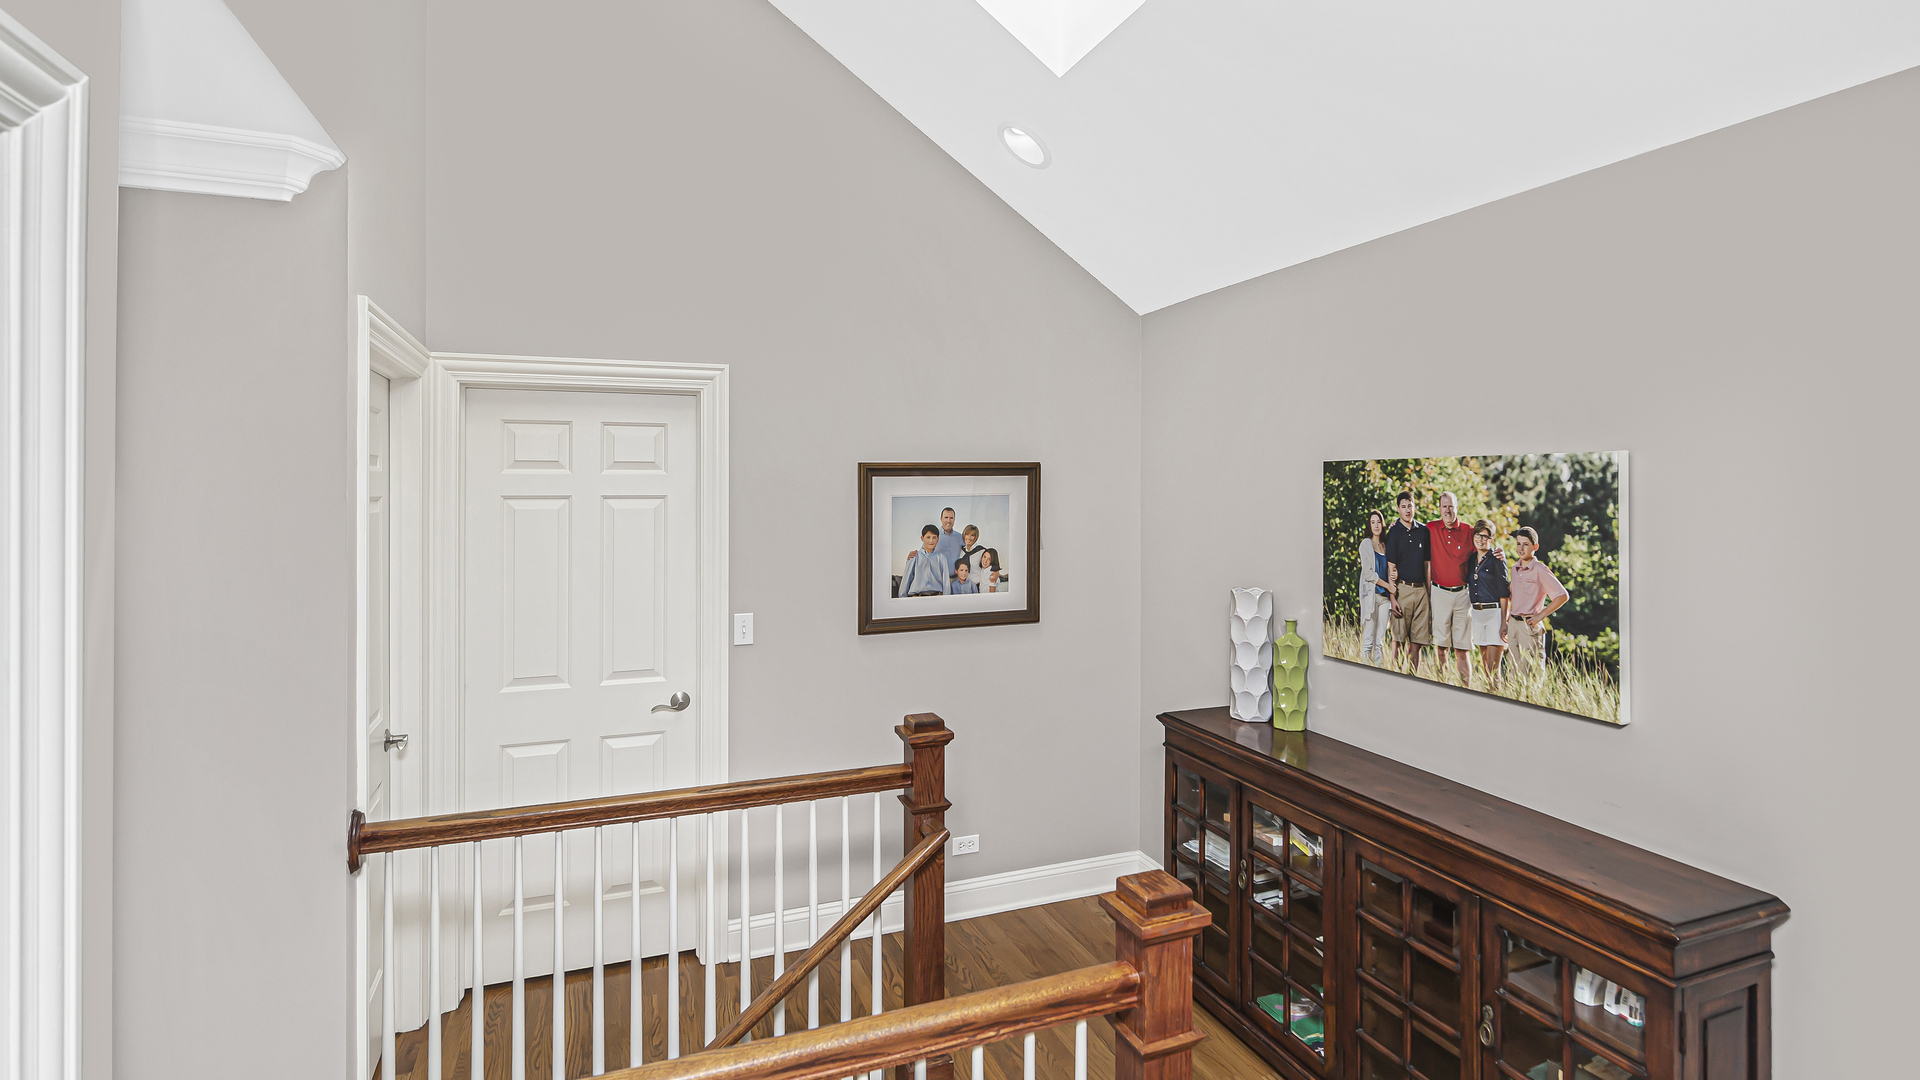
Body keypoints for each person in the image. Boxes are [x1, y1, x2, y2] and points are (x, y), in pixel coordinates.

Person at [1425, 492, 1478, 684]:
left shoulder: (1469, 531)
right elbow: (1409, 531)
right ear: (1439, 508)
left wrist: (1499, 553)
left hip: (1463, 596)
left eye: (1451, 506)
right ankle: (1442, 688)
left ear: (1457, 507)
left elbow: (1484, 549)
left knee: (1462, 649)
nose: (1448, 510)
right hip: (1439, 593)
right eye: (1444, 506)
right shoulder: (1430, 528)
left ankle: (1466, 689)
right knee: (1441, 647)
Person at [1505, 526, 1569, 676]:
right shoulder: (1514, 569)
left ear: (1535, 547)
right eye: (1518, 544)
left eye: (1525, 544)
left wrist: (1542, 615)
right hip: (1513, 625)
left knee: (1531, 674)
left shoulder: (1540, 569)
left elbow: (1562, 595)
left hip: (1529, 626)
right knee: (1513, 674)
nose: (1521, 548)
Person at [1383, 491, 1432, 673]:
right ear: (1398, 509)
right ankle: (1395, 676)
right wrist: (1392, 598)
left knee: (1417, 642)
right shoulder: (1394, 532)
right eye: (1403, 507)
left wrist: (1428, 593)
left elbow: (1427, 565)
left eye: (1409, 506)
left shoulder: (1424, 531)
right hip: (1402, 590)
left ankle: (1413, 677)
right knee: (1398, 640)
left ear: (1414, 507)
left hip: (1421, 592)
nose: (1407, 510)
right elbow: (1391, 567)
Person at [1467, 520, 1510, 688]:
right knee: (1486, 667)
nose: (1481, 539)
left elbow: (1504, 593)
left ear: (1491, 539)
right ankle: (1489, 695)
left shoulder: (1497, 559)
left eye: (1485, 536)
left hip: (1494, 614)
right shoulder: (1471, 559)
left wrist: (1504, 621)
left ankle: (1498, 698)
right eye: (1478, 535)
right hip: (1477, 614)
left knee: (1494, 668)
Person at [1357, 510, 1392, 664]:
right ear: (1369, 525)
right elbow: (1369, 574)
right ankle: (1364, 670)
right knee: (1368, 639)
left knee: (1380, 642)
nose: (1376, 525)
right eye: (1373, 522)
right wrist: (1388, 586)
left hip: (1385, 599)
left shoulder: (1386, 545)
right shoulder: (1366, 544)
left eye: (1378, 522)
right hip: (1371, 597)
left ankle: (1378, 670)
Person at [897, 525, 952, 596]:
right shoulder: (914, 557)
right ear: (922, 538)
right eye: (928, 537)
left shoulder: (942, 558)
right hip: (917, 598)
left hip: (937, 597)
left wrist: (946, 599)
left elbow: (946, 582)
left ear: (938, 539)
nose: (931, 541)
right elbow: (906, 580)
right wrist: (902, 599)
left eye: (934, 537)